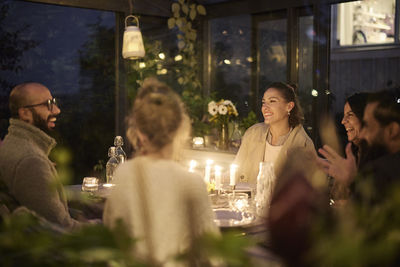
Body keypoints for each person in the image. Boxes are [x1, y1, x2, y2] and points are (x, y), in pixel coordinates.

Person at [103, 78, 218, 266]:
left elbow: (113, 238)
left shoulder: (124, 173)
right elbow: (212, 255)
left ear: (139, 132)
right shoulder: (190, 181)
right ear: (179, 128)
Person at [0, 82, 80, 229]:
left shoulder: (15, 144)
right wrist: (103, 228)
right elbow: (59, 226)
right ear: (25, 114)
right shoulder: (30, 160)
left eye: (54, 102)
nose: (57, 110)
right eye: (47, 104)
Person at [318, 87, 400, 204]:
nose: (363, 133)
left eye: (367, 125)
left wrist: (352, 182)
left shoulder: (384, 169)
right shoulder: (356, 153)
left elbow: (373, 213)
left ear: (392, 130)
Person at [234, 82, 316, 185]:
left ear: (289, 106)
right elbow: (235, 173)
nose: (265, 107)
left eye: (272, 101)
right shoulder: (253, 134)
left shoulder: (303, 144)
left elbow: (307, 190)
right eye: (263, 102)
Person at [329, 92, 369, 201]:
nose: (343, 121)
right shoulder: (352, 151)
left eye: (350, 115)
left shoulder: (379, 160)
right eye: (343, 115)